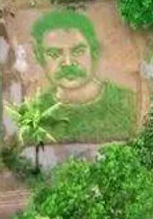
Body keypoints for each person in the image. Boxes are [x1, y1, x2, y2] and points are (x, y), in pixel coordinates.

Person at [30, 9, 136, 140]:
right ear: (40, 57)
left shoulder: (128, 102)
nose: (68, 63)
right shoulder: (34, 113)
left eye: (78, 51)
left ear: (94, 51)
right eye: (54, 54)